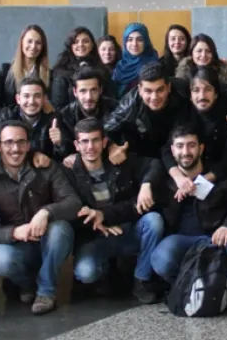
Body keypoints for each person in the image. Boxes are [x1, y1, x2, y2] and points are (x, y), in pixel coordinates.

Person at [0, 120, 80, 315]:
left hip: (49, 241)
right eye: (9, 142)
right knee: (0, 258)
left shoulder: (46, 166)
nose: (15, 149)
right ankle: (28, 284)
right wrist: (14, 232)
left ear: (29, 145)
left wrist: (45, 212)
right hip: (18, 245)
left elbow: (73, 202)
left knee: (61, 229)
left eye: (21, 142)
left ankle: (46, 291)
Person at [64, 118, 166, 304]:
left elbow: (155, 164)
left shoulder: (119, 161)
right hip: (94, 237)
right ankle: (106, 274)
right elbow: (70, 210)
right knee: (86, 272)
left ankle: (142, 279)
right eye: (84, 141)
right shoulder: (68, 172)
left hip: (126, 229)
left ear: (104, 142)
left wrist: (146, 184)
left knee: (154, 221)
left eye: (95, 140)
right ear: (76, 145)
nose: (90, 147)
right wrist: (97, 222)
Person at [150, 125, 227, 290]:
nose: (186, 152)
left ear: (201, 148)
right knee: (162, 258)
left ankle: (223, 286)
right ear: (172, 150)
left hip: (216, 238)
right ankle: (190, 288)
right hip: (181, 240)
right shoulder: (166, 181)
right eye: (180, 146)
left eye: (191, 145)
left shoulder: (219, 175)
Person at [164, 67, 227, 192]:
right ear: (190, 95)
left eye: (208, 89)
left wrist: (202, 181)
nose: (202, 96)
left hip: (223, 178)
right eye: (196, 90)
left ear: (216, 94)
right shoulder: (183, 116)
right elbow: (166, 150)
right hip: (188, 175)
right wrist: (178, 178)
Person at [104, 62, 196, 162]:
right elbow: (106, 129)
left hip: (180, 150)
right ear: (140, 90)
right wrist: (111, 146)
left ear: (168, 87)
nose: (154, 97)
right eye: (148, 91)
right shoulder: (130, 104)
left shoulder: (182, 91)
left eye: (160, 90)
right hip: (145, 155)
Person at [0, 76, 59, 157]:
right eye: (26, 96)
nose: (31, 101)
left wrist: (58, 144)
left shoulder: (53, 120)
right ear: (18, 99)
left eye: (37, 96)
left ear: (44, 99)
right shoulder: (7, 115)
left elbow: (62, 155)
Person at [53, 67, 118, 162]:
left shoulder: (115, 109)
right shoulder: (65, 116)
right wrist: (59, 144)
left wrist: (113, 147)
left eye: (93, 90)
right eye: (83, 91)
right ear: (75, 92)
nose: (88, 97)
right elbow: (64, 155)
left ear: (100, 90)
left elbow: (123, 141)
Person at [0, 25, 52, 107]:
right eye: (29, 41)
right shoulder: (4, 71)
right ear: (22, 43)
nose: (33, 46)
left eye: (38, 43)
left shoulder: (50, 75)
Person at [50, 27, 110, 108]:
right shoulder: (61, 72)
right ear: (70, 45)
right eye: (76, 42)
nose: (81, 44)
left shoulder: (103, 70)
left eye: (85, 41)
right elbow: (58, 105)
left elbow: (110, 100)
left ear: (92, 45)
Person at [112, 22, 160, 97]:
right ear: (125, 42)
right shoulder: (120, 66)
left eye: (139, 40)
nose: (134, 44)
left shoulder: (153, 67)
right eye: (130, 40)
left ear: (146, 42)